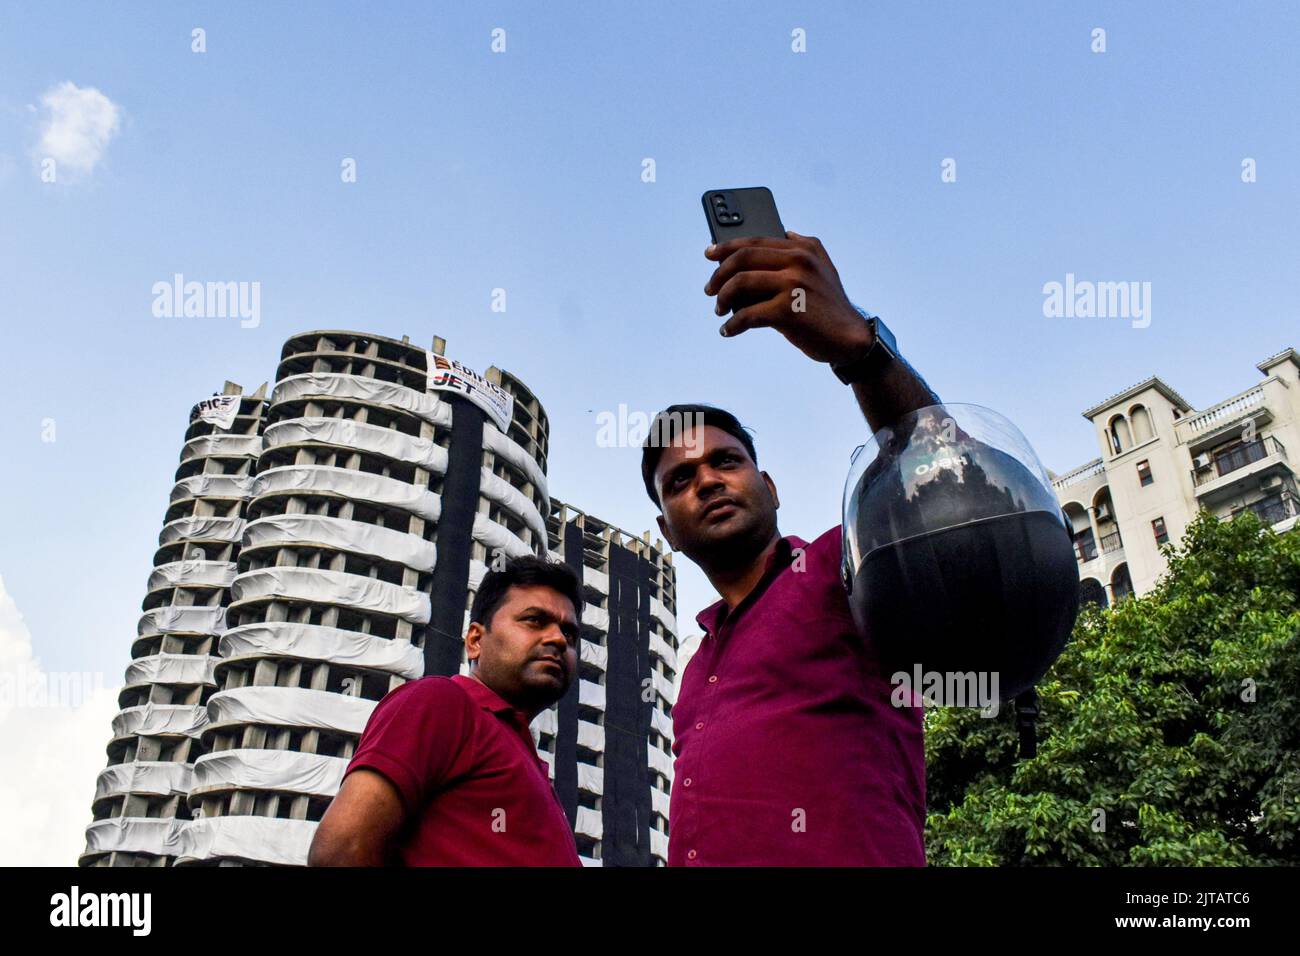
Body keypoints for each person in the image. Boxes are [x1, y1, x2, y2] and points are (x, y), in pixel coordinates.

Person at [642, 230, 942, 865]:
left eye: (726, 461)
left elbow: (945, 481)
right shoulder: (694, 669)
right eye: (680, 481)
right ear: (667, 532)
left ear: (770, 487)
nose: (708, 480)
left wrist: (859, 349)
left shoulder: (846, 565)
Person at [307, 555, 584, 866]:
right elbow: (341, 851)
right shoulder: (443, 702)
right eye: (535, 620)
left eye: (569, 633)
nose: (558, 639)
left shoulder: (529, 759)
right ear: (476, 641)